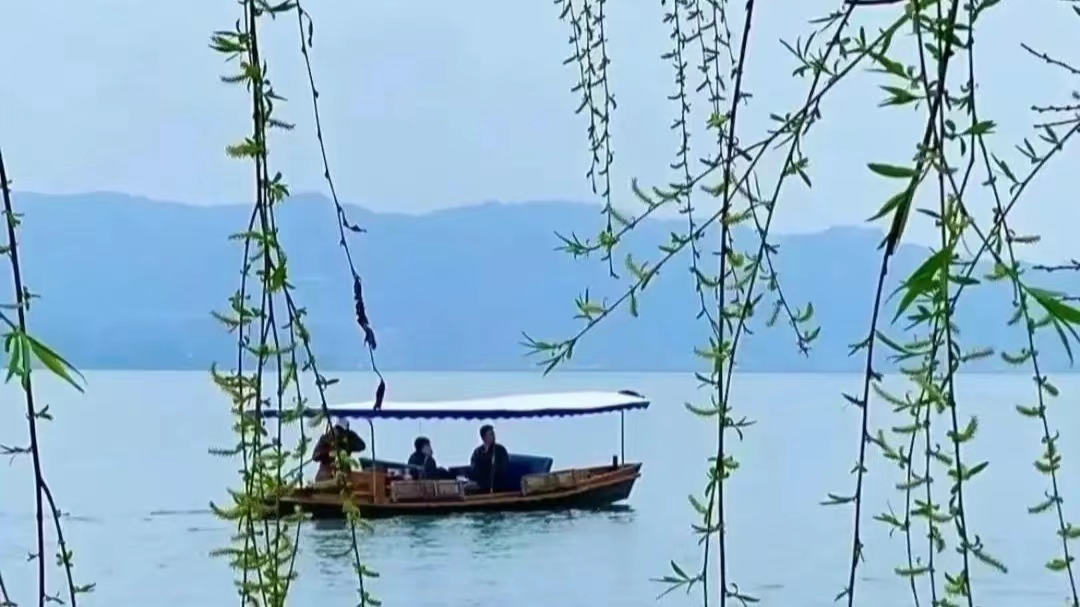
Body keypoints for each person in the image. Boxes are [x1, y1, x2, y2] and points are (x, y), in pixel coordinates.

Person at [469, 424, 509, 492]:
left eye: (493, 434)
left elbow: (502, 468)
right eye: (490, 434)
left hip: (498, 485)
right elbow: (474, 468)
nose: (493, 436)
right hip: (480, 485)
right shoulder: (477, 452)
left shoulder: (500, 450)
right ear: (483, 437)